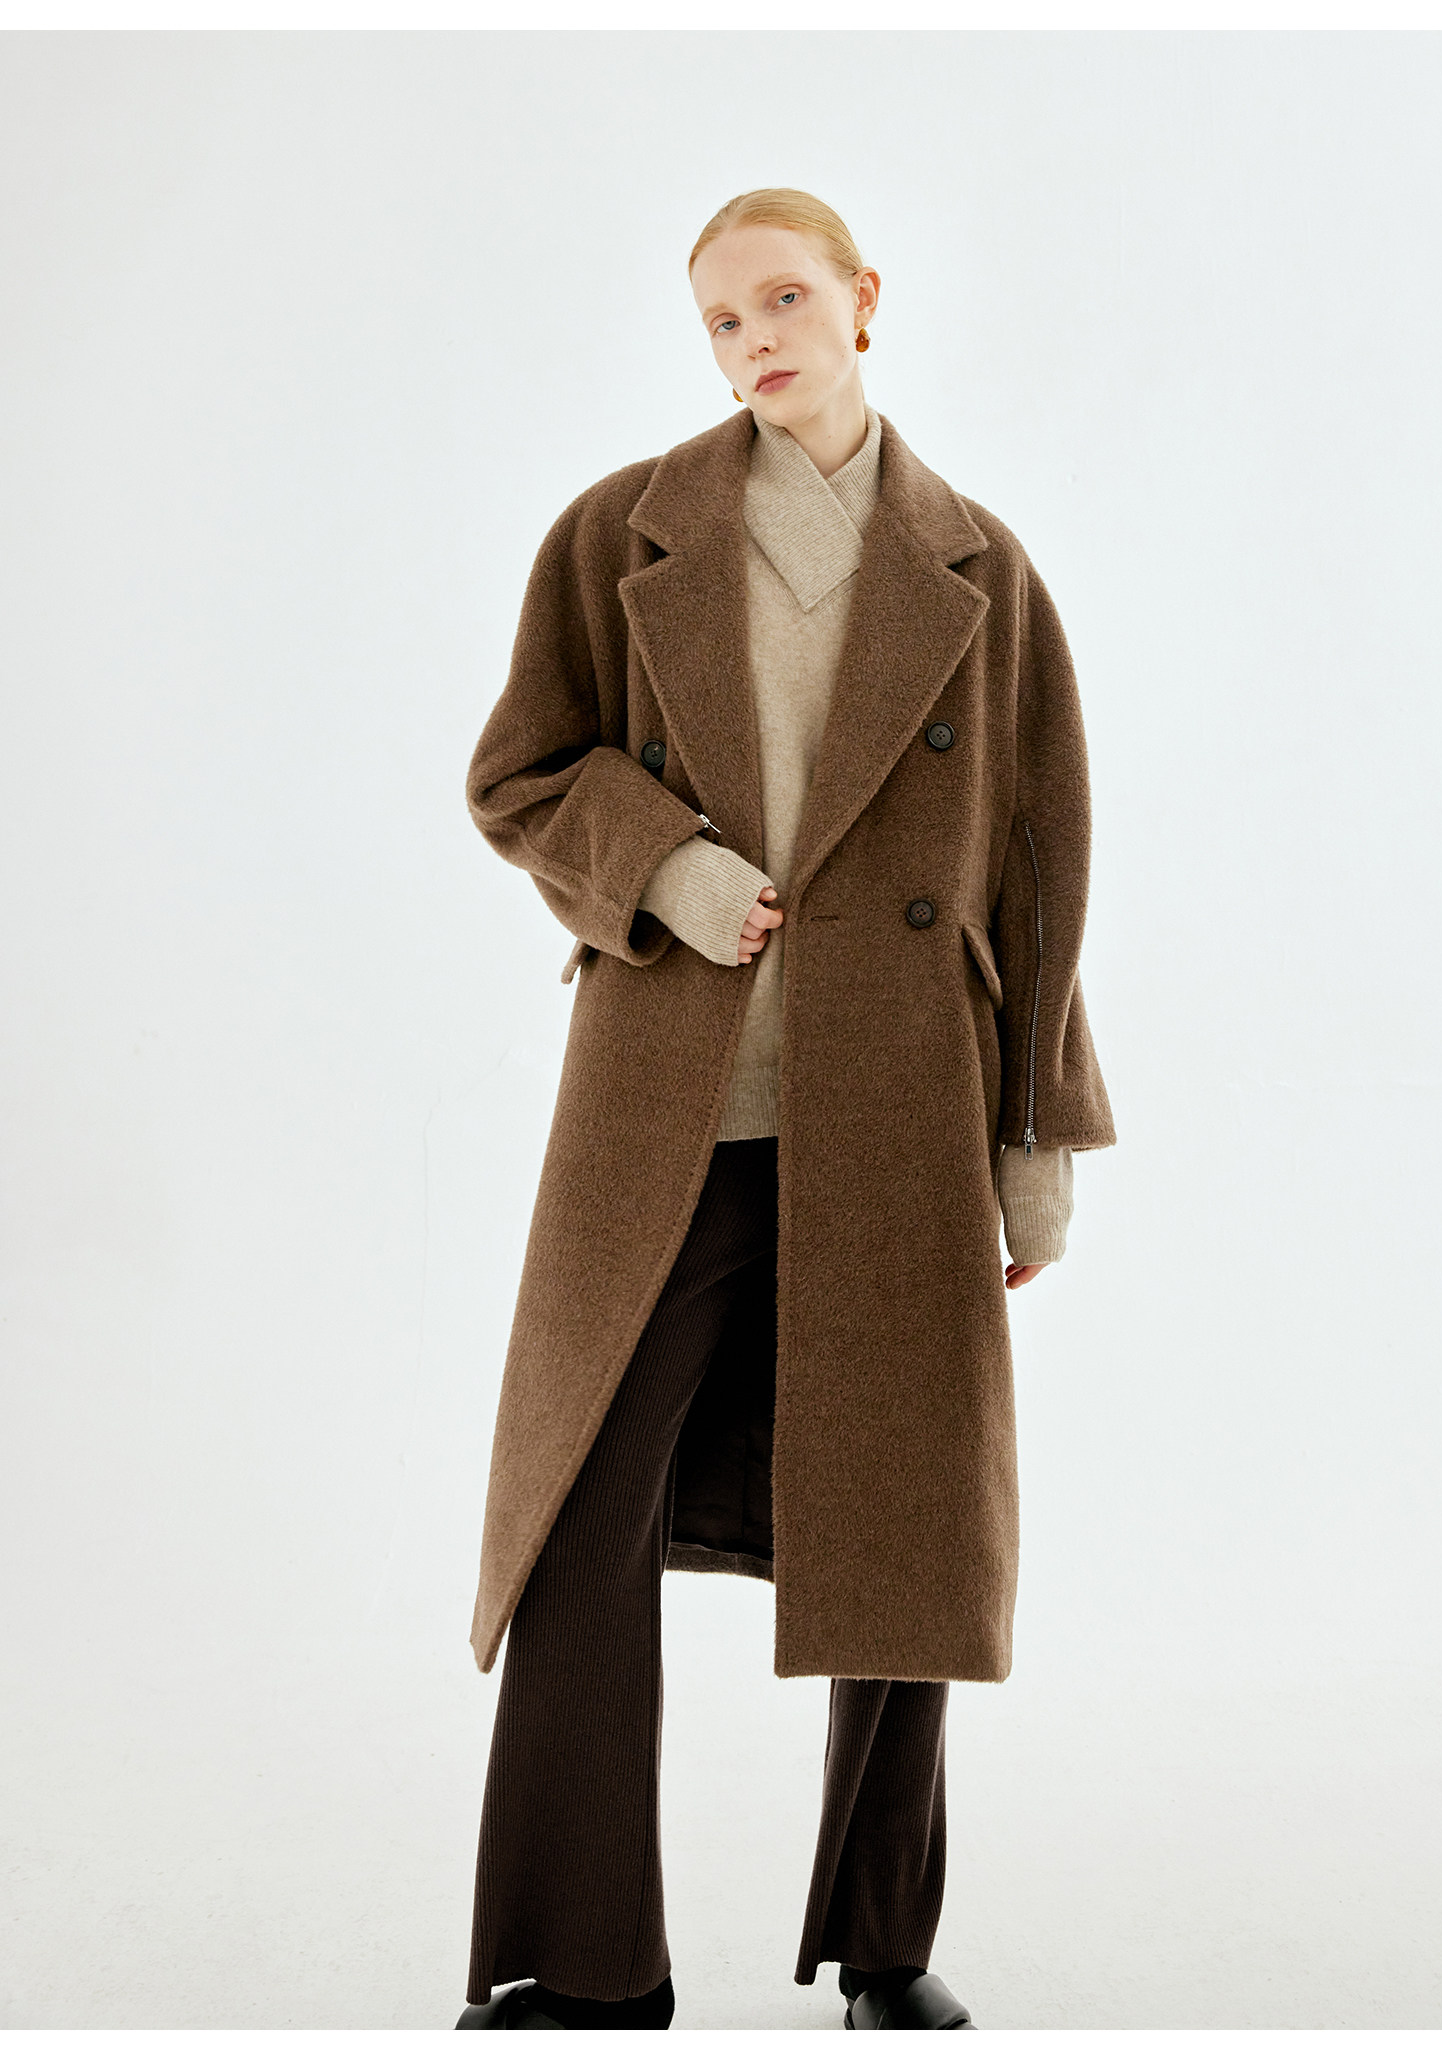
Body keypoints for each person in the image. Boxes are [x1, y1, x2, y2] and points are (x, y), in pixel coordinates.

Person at [454, 188, 1115, 2033]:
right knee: (576, 1518)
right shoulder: (623, 534)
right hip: (671, 1107)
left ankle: (886, 1947)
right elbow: (519, 774)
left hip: (903, 1109)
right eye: (722, 320)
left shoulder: (980, 568)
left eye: (784, 300)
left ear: (863, 300)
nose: (755, 340)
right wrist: (661, 867)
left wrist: (1035, 1142)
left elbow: (1040, 870)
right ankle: (582, 1964)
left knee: (907, 1531)